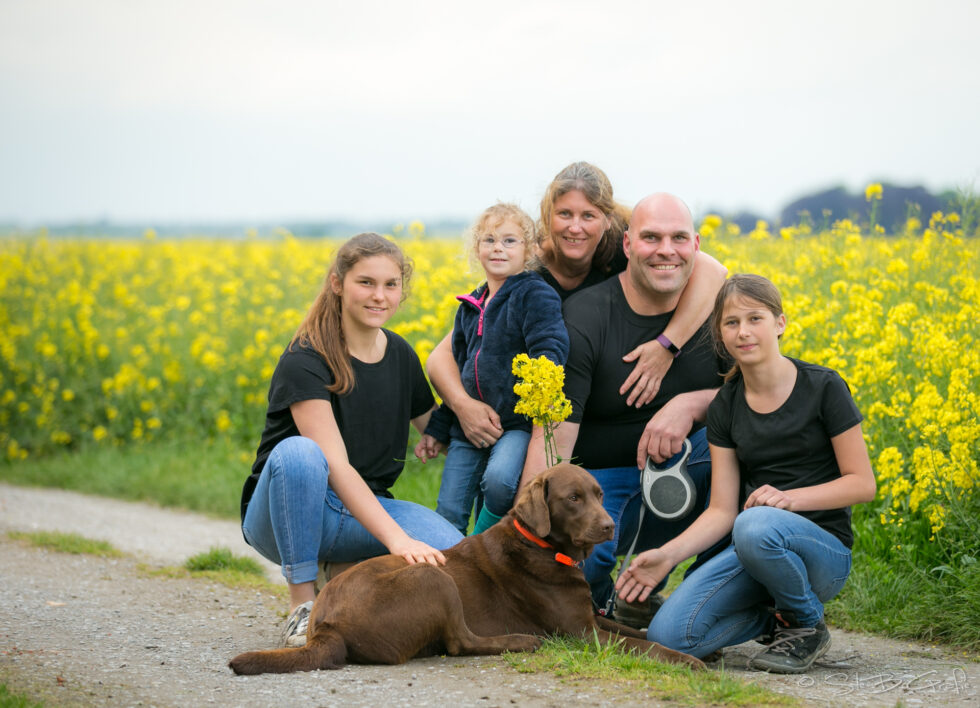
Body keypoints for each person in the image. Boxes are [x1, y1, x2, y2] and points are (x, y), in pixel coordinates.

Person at [615, 273, 876, 673]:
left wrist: (789, 500)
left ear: (780, 323)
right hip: (754, 549)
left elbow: (862, 484)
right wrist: (667, 556)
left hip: (822, 555)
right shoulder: (726, 406)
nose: (744, 332)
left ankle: (807, 623)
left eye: (755, 319)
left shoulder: (824, 387)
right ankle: (774, 621)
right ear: (720, 336)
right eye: (731, 323)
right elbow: (722, 510)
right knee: (668, 637)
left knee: (753, 524)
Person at [239, 233, 463, 649]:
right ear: (338, 284)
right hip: (283, 514)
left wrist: (476, 414)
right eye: (366, 282)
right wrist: (398, 540)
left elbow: (438, 431)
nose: (379, 295)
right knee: (300, 454)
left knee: (454, 554)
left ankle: (345, 567)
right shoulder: (305, 358)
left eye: (390, 285)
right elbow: (336, 466)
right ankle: (302, 605)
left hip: (358, 512)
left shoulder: (400, 354)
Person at [521, 192, 728, 622]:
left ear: (696, 245)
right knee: (587, 560)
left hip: (687, 470)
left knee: (744, 444)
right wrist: (525, 544)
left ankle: (704, 604)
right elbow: (554, 440)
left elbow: (763, 399)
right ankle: (611, 600)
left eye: (678, 238)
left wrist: (693, 403)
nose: (666, 250)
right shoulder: (585, 318)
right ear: (628, 245)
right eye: (651, 238)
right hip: (603, 482)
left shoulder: (721, 310)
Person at [426, 162, 727, 457]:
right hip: (527, 419)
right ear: (548, 217)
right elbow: (443, 355)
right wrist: (463, 406)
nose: (575, 227)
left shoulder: (625, 252)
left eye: (588, 215)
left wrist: (667, 345)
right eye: (565, 214)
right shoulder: (526, 269)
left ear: (607, 220)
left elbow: (712, 271)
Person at [415, 204, 569, 535]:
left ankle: (483, 538)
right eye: (489, 239)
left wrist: (544, 386)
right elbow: (461, 370)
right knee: (449, 508)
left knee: (500, 482)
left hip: (516, 423)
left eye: (509, 240)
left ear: (529, 250)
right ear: (477, 249)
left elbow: (550, 345)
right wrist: (437, 429)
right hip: (466, 429)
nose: (498, 247)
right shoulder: (470, 306)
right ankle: (448, 561)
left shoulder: (535, 294)